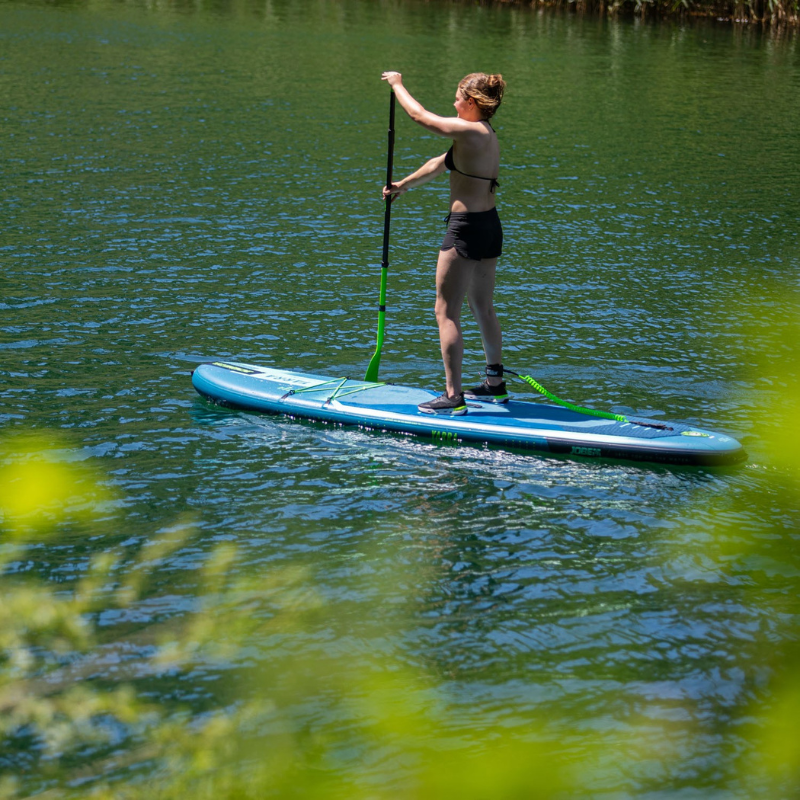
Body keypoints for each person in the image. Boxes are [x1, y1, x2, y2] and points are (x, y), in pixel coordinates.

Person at [381, 71, 508, 416]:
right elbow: (441, 164)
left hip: (465, 229)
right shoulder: (484, 136)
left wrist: (397, 84)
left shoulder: (469, 130)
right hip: (489, 226)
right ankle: (494, 383)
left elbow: (419, 117)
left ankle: (453, 396)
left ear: (470, 103)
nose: (452, 104)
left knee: (445, 310)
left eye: (456, 98)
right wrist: (403, 185)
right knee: (482, 306)